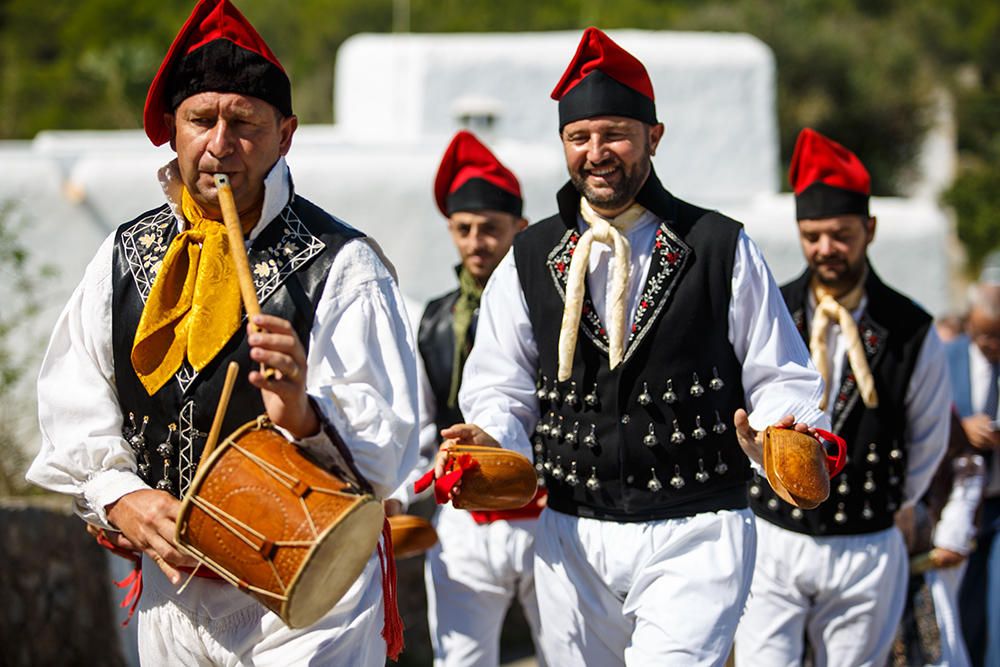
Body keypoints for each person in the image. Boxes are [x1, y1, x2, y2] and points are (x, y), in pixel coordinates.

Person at [25, 1, 418, 664]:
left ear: (285, 134)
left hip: (305, 596)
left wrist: (303, 410)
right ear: (173, 131)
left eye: (244, 123)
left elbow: (386, 449)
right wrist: (123, 498)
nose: (220, 145)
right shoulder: (124, 254)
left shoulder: (339, 264)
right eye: (201, 120)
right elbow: (74, 405)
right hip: (169, 590)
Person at [446, 27, 829, 666]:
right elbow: (500, 383)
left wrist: (783, 435)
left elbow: (779, 373)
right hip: (570, 529)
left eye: (615, 134)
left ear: (654, 136)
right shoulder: (528, 256)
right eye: (579, 137)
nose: (597, 153)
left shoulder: (721, 246)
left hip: (698, 528)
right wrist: (492, 442)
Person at [734, 128, 950, 667]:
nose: (825, 248)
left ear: (869, 229)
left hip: (867, 539)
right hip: (774, 534)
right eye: (812, 235)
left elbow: (928, 437)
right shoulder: (771, 309)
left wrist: (894, 503)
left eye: (840, 233)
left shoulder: (910, 327)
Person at [393, 130, 544, 667]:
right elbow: (420, 421)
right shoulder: (434, 320)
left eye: (489, 229)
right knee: (461, 658)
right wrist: (401, 493)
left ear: (518, 230)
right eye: (464, 229)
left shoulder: (552, 312)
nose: (476, 242)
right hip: (463, 516)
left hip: (546, 509)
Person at [947, 277, 1000, 667]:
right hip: (960, 505)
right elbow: (925, 422)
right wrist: (962, 429)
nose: (992, 346)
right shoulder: (944, 358)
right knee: (962, 606)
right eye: (984, 337)